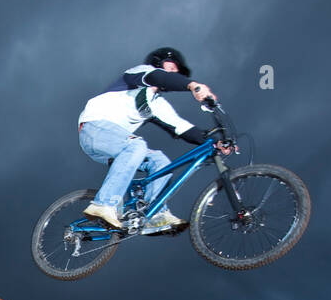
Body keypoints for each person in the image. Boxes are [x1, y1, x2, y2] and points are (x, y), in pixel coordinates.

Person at [77, 46, 232, 234]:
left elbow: (181, 128)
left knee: (161, 162)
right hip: (95, 128)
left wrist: (215, 142)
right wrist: (192, 85)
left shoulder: (156, 104)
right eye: (172, 66)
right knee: (137, 145)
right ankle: (103, 203)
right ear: (158, 62)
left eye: (177, 71)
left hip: (115, 143)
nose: (174, 72)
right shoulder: (139, 73)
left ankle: (155, 215)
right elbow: (159, 77)